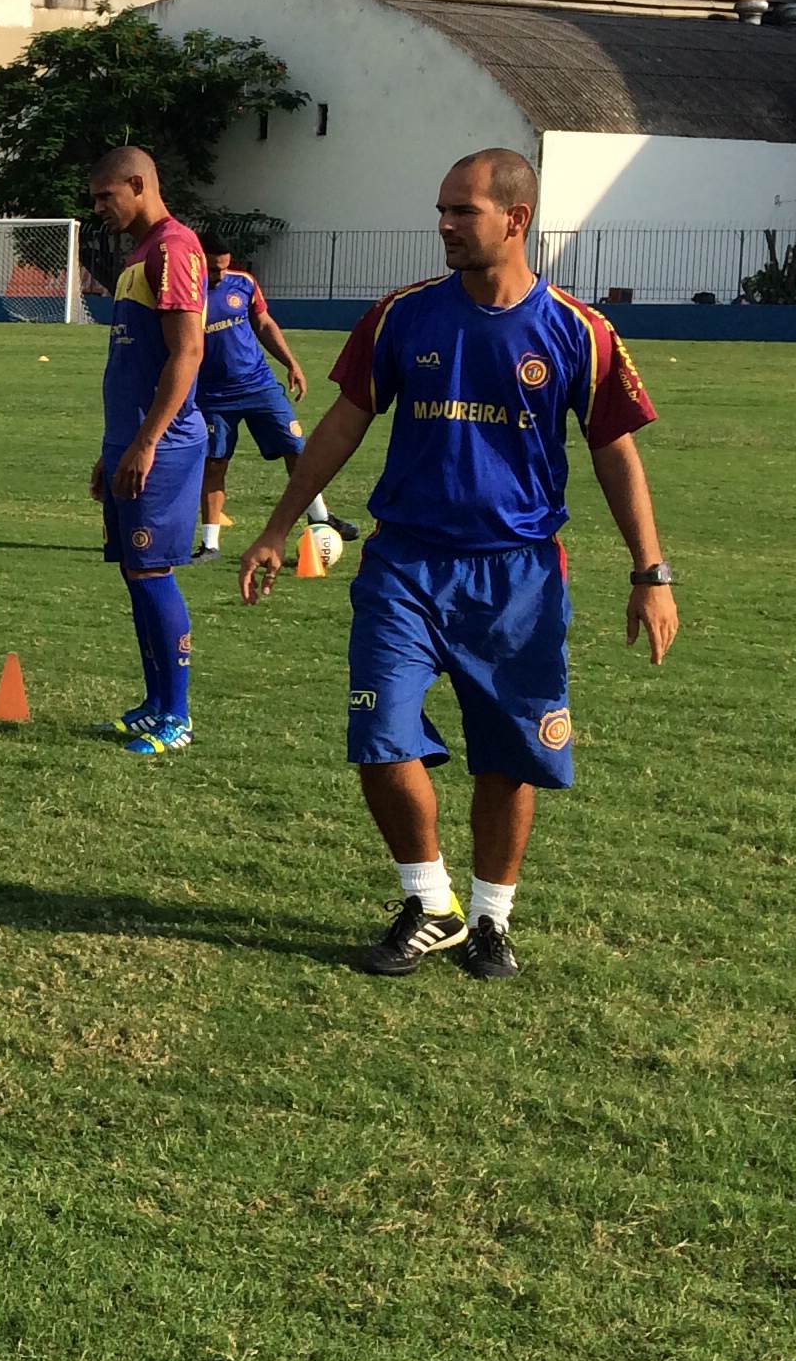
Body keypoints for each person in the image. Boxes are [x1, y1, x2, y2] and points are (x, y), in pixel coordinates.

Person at [239, 147, 675, 981]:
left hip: (518, 577)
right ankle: (428, 899)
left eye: (461, 211)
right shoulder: (405, 315)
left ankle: (489, 920)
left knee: (510, 756)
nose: (442, 225)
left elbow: (616, 453)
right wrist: (276, 527)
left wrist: (649, 573)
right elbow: (342, 422)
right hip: (404, 566)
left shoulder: (579, 331)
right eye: (440, 208)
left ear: (515, 220)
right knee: (379, 736)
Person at [86, 147, 209, 754]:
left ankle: (178, 717)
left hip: (163, 446)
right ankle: (155, 702)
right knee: (137, 574)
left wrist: (146, 441)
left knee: (153, 571)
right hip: (131, 444)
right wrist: (114, 449)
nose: (99, 209)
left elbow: (187, 353)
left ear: (138, 184)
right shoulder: (141, 251)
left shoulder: (173, 247)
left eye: (106, 196)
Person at [192, 242, 347, 556]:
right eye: (212, 268)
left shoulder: (244, 283)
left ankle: (320, 518)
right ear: (198, 261)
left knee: (297, 449)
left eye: (223, 266)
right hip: (213, 395)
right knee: (214, 465)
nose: (219, 274)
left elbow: (263, 323)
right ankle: (210, 545)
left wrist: (291, 363)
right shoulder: (186, 291)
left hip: (259, 385)